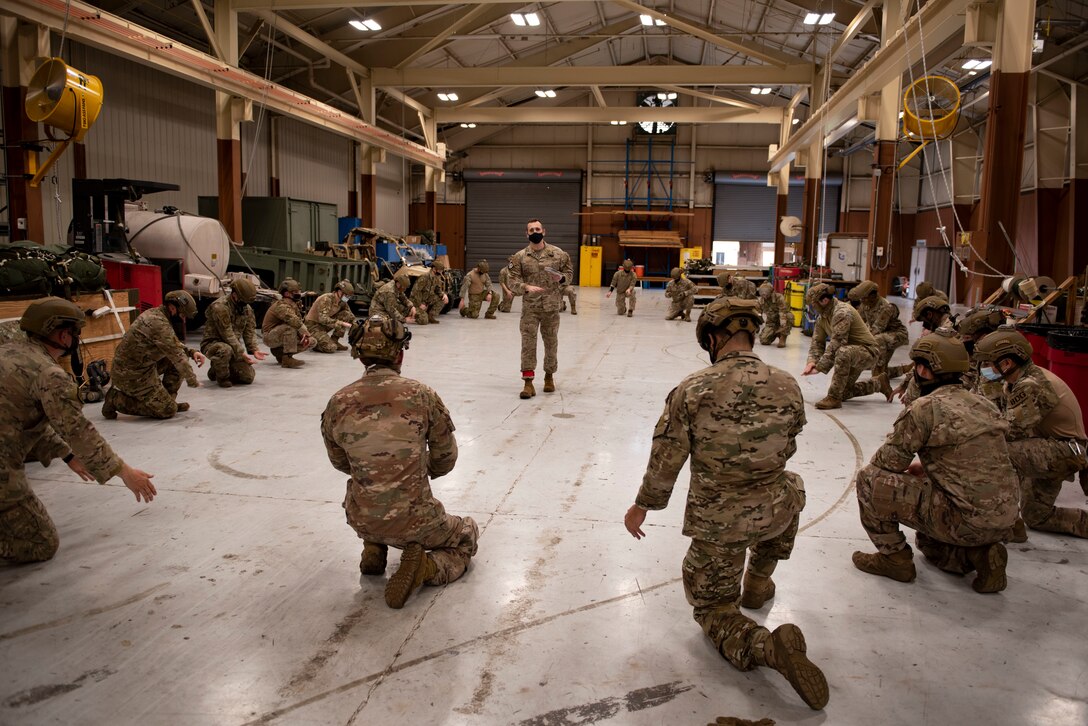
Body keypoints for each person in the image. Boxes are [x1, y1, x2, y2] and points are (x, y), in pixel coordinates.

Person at [624, 297, 828, 710]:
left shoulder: (692, 389)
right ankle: (757, 582)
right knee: (793, 484)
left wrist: (642, 505)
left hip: (720, 524)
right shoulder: (788, 383)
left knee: (713, 607)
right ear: (751, 335)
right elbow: (788, 443)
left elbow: (667, 458)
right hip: (775, 509)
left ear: (714, 339)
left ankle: (766, 648)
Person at [321, 313, 479, 609]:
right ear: (400, 354)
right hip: (416, 522)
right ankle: (425, 568)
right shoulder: (421, 395)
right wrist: (416, 470)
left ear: (359, 357)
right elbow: (446, 458)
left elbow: (341, 462)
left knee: (362, 480)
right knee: (467, 534)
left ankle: (373, 545)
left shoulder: (338, 402)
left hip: (361, 518)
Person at [852, 331, 1019, 593]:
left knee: (869, 479)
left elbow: (888, 462)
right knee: (929, 547)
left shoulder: (925, 408)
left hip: (963, 518)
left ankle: (894, 559)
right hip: (1006, 517)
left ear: (923, 368)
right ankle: (980, 556)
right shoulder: (984, 403)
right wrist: (932, 470)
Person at [0, 297, 157, 563]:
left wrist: (68, 455)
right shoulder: (48, 373)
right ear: (63, 335)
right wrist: (124, 472)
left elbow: (25, 421)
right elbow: (78, 431)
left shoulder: (8, 351)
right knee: (40, 542)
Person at [975, 329, 1088, 539]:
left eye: (988, 363)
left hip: (1065, 450)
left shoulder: (1032, 385)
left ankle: (1006, 523)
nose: (984, 369)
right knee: (1036, 516)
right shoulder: (1017, 380)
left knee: (1000, 453)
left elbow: (1009, 432)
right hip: (1050, 446)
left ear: (1007, 363)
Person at [103, 289, 205, 419]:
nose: (183, 320)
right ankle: (115, 400)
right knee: (168, 411)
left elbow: (172, 344)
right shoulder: (158, 323)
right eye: (182, 315)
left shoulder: (158, 315)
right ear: (173, 308)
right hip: (130, 374)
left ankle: (166, 401)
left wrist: (192, 352)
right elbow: (177, 356)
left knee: (177, 361)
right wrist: (193, 380)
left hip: (142, 365)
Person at [507, 219, 574, 399]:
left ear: (544, 231)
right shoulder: (519, 257)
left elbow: (569, 274)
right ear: (526, 234)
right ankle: (528, 383)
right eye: (531, 230)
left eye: (537, 229)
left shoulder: (558, 254)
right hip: (530, 308)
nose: (534, 232)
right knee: (528, 344)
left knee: (551, 343)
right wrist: (526, 287)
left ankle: (549, 377)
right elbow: (511, 282)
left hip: (552, 307)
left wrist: (560, 279)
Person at [802, 283, 890, 409]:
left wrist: (820, 367)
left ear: (824, 300)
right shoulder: (822, 318)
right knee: (844, 392)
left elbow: (837, 343)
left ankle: (834, 398)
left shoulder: (841, 312)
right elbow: (817, 343)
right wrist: (812, 362)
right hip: (851, 353)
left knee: (842, 352)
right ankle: (878, 384)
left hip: (868, 352)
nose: (812, 307)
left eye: (813, 303)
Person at [201, 278, 267, 388]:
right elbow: (227, 334)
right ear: (234, 294)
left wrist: (254, 349)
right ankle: (222, 377)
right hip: (213, 345)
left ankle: (216, 369)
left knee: (247, 377)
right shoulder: (220, 307)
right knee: (225, 350)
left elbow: (249, 331)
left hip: (233, 347)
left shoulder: (246, 308)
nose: (245, 304)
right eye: (243, 300)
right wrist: (241, 353)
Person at [848, 280, 907, 376]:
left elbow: (876, 329)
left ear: (872, 296)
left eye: (864, 298)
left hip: (896, 335)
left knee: (876, 340)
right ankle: (901, 370)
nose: (862, 301)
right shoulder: (865, 305)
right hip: (881, 335)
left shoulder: (885, 307)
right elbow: (859, 322)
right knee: (877, 369)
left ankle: (879, 372)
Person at [261, 278, 311, 368]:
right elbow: (294, 321)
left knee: (311, 341)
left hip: (280, 333)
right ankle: (287, 359)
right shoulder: (281, 306)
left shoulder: (294, 304)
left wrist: (304, 337)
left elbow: (299, 320)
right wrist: (305, 333)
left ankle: (280, 353)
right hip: (269, 336)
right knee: (290, 327)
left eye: (299, 291)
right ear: (287, 293)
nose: (299, 293)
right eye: (296, 292)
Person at [306, 280, 357, 353]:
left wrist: (357, 325)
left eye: (349, 296)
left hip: (323, 325)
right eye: (346, 295)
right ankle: (314, 343)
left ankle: (335, 340)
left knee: (346, 315)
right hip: (313, 326)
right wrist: (341, 323)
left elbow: (350, 315)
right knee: (331, 348)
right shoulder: (326, 299)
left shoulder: (342, 301)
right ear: (339, 292)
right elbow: (323, 319)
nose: (347, 298)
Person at [757, 282, 791, 347]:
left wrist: (783, 324)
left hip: (781, 319)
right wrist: (756, 324)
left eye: (766, 291)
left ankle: (783, 336)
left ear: (771, 291)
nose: (764, 293)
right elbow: (759, 313)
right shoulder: (761, 300)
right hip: (771, 322)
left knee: (789, 316)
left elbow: (783, 311)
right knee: (764, 341)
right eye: (762, 292)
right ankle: (776, 333)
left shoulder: (779, 297)